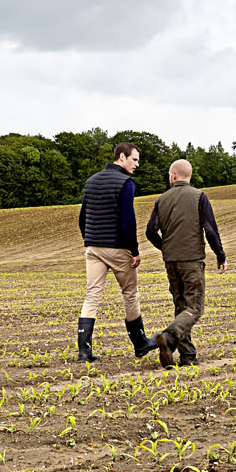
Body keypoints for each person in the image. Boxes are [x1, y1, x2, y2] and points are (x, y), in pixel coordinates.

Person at [76, 142, 158, 362]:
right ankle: (140, 344)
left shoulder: (91, 181)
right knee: (130, 293)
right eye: (135, 160)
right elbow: (127, 220)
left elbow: (83, 218)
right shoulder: (125, 183)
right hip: (117, 247)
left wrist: (90, 240)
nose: (137, 164)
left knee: (92, 294)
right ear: (122, 157)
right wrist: (134, 250)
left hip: (93, 247)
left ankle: (84, 351)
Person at [146, 159, 227, 369]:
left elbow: (150, 231)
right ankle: (169, 336)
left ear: (173, 175)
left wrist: (165, 247)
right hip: (192, 260)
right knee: (194, 308)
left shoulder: (161, 199)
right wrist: (220, 255)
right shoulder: (199, 196)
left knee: (182, 307)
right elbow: (210, 230)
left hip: (170, 261)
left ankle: (188, 356)